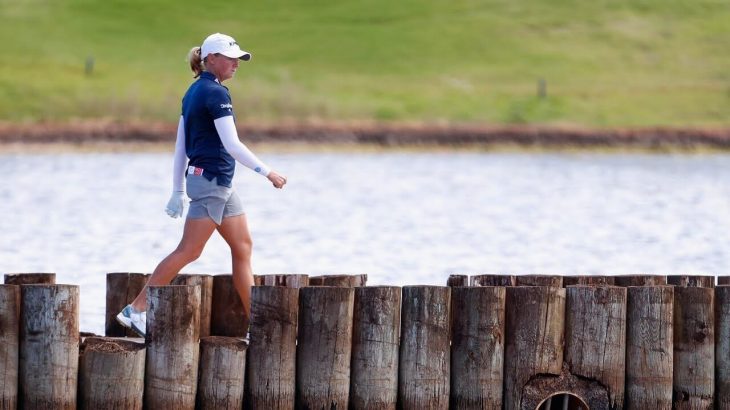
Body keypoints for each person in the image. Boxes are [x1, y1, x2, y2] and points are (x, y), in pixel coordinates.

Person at [116, 33, 287, 337]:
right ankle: (136, 309)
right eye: (229, 57)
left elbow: (181, 145)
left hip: (216, 183)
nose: (236, 63)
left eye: (238, 58)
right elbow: (232, 144)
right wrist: (268, 172)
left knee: (242, 247)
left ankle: (256, 325)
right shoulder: (215, 94)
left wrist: (178, 189)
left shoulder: (194, 91)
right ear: (211, 59)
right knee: (189, 250)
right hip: (210, 183)